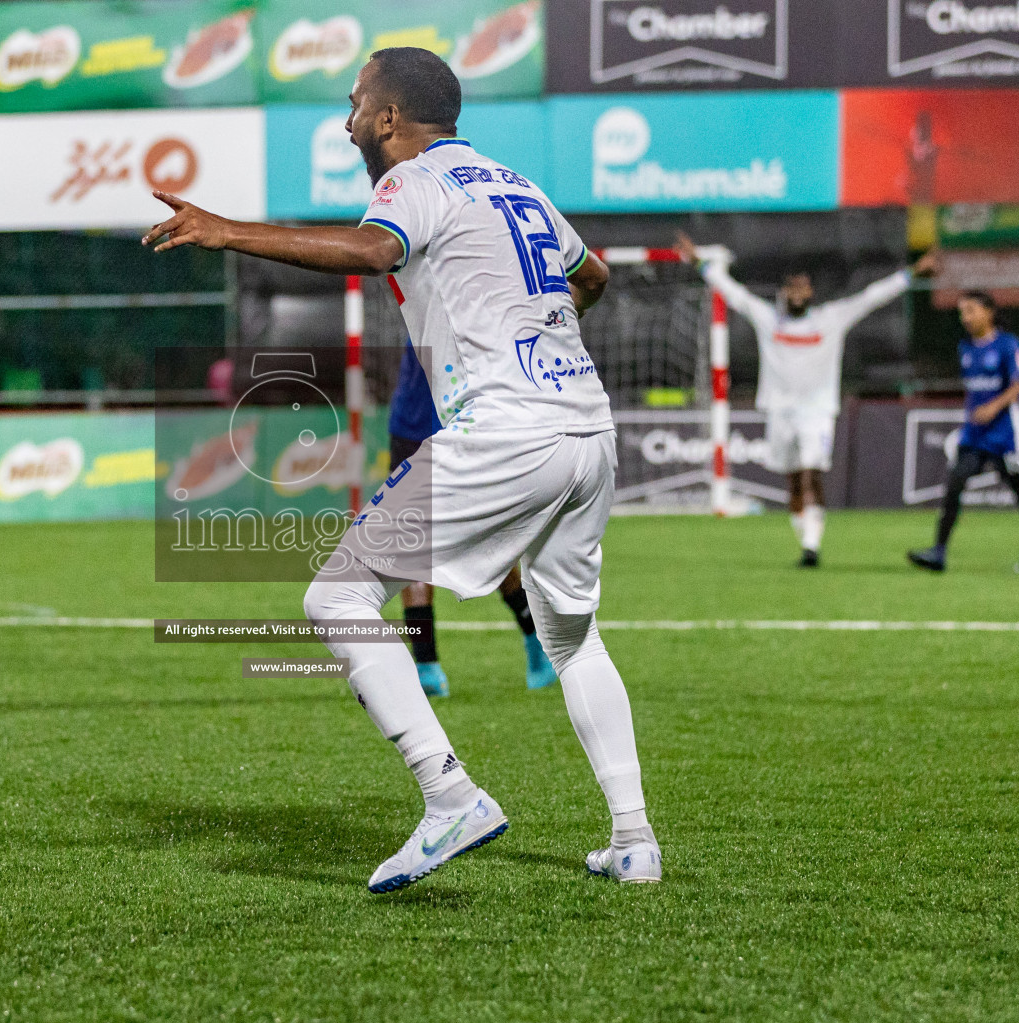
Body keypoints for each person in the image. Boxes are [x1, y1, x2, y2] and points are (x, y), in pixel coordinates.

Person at [144, 47, 661, 889]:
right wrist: (537, 329)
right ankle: (634, 840)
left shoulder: (410, 180)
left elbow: (377, 252)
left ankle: (448, 795)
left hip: (506, 428)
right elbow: (590, 276)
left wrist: (227, 229)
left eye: (356, 102)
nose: (347, 118)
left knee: (337, 593)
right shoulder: (514, 184)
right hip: (586, 425)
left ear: (390, 119)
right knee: (575, 639)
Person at [675, 233, 939, 566]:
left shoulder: (830, 319)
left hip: (817, 410)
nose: (798, 293)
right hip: (779, 410)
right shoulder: (769, 319)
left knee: (812, 473)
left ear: (811, 293)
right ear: (784, 292)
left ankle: (812, 546)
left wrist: (912, 273)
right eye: (792, 287)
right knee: (794, 481)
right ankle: (806, 538)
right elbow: (733, 294)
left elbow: (872, 297)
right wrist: (699, 262)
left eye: (803, 287)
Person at [389, 337, 557, 695]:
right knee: (444, 546)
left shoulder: (420, 284)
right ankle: (429, 665)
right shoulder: (482, 297)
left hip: (441, 425)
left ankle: (430, 666)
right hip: (444, 425)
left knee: (466, 544)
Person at [909, 291, 1019, 574]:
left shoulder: (1008, 344)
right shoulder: (966, 348)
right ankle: (938, 552)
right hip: (974, 436)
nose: (965, 318)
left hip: (1005, 436)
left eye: (970, 310)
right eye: (961, 313)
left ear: (989, 312)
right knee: (954, 485)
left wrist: (993, 408)